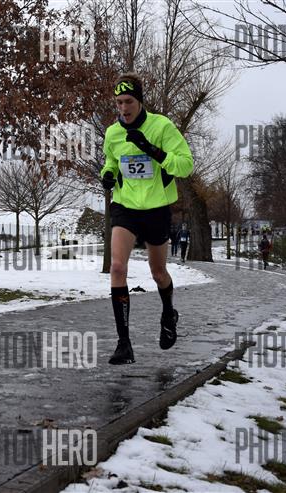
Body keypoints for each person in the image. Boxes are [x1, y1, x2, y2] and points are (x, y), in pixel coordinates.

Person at [100, 72, 194, 364]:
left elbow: (186, 165)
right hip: (125, 206)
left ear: (140, 101)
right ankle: (124, 344)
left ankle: (168, 313)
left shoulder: (162, 126)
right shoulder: (112, 133)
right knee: (117, 267)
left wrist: (152, 150)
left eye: (128, 101)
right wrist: (108, 174)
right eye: (118, 102)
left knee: (158, 273)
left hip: (156, 208)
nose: (123, 108)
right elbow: (111, 160)